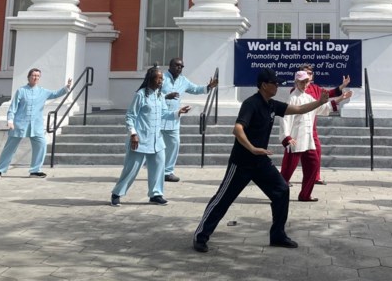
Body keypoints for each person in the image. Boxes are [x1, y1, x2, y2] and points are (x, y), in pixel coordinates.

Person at [192, 68, 331, 253]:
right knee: (223, 199)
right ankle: (200, 236)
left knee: (281, 190)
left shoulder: (272, 105)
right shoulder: (251, 104)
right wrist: (251, 148)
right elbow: (238, 129)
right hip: (242, 161)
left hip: (261, 162)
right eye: (275, 83)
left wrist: (319, 102)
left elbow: (298, 109)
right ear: (264, 85)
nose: (277, 86)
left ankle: (278, 235)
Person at [110, 66, 189, 206]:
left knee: (159, 167)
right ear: (151, 79)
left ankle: (156, 194)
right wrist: (133, 134)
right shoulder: (140, 95)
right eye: (159, 78)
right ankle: (117, 193)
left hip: (157, 140)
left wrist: (178, 112)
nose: (161, 81)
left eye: (162, 79)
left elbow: (164, 113)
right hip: (139, 139)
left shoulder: (159, 95)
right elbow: (130, 116)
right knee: (131, 169)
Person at [280, 70, 352, 202]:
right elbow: (285, 118)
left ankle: (305, 195)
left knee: (313, 164)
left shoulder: (308, 97)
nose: (305, 84)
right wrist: (287, 137)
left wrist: (341, 98)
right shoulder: (293, 97)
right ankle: (276, 193)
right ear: (296, 82)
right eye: (302, 82)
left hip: (308, 139)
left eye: (307, 81)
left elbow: (323, 108)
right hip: (295, 140)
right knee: (287, 171)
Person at [0, 68, 72, 179]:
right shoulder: (21, 91)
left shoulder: (43, 91)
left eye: (38, 76)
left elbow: (55, 94)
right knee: (9, 148)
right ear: (29, 77)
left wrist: (66, 87)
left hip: (36, 125)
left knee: (41, 145)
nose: (35, 78)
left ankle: (35, 170)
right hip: (19, 124)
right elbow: (13, 107)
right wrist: (10, 120)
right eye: (33, 75)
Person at [161, 57, 217, 183]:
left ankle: (168, 172)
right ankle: (151, 168)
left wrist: (209, 86)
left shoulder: (183, 81)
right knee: (154, 146)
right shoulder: (162, 78)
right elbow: (152, 93)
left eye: (181, 66)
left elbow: (195, 89)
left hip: (173, 118)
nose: (179, 68)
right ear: (170, 66)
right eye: (177, 65)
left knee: (174, 144)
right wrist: (166, 96)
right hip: (158, 117)